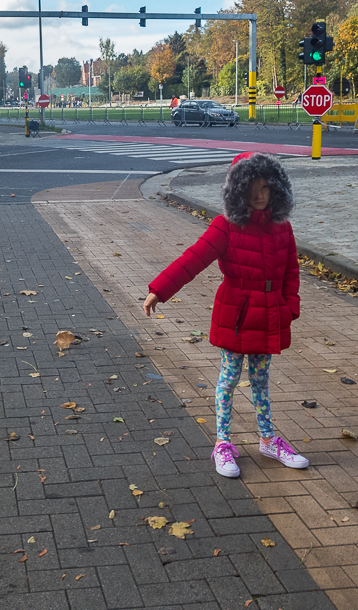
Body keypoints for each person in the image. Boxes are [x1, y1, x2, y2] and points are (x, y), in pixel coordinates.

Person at [143, 152, 305, 478]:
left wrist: (289, 309)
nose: (259, 195)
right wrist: (160, 290)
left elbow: (291, 272)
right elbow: (193, 259)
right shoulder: (226, 227)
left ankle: (268, 439)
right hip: (237, 313)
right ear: (238, 191)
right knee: (229, 380)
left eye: (265, 187)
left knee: (260, 381)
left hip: (271, 315)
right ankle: (223, 443)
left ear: (276, 189)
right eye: (251, 188)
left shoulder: (282, 229)